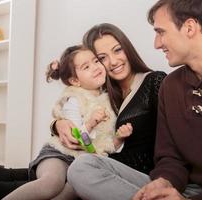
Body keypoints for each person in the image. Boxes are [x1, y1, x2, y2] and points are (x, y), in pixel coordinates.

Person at [64, 0, 202, 200]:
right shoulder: (171, 86)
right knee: (82, 168)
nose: (156, 44)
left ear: (189, 27)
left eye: (160, 32)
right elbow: (170, 158)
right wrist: (164, 182)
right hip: (186, 189)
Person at [3, 44, 133, 200]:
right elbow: (75, 137)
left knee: (70, 192)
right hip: (59, 153)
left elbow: (106, 144)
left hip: (83, 163)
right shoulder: (74, 99)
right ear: (75, 81)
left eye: (96, 61)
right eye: (86, 67)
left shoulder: (109, 102)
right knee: (51, 183)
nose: (95, 67)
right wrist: (91, 123)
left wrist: (119, 138)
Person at [53, 23, 167, 175]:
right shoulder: (103, 93)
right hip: (104, 165)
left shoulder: (154, 81)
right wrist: (56, 124)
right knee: (48, 180)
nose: (113, 62)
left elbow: (175, 136)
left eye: (118, 50)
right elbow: (76, 117)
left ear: (127, 48)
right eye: (102, 58)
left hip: (142, 174)